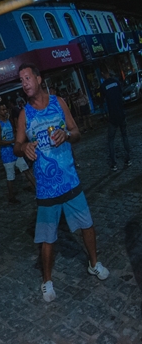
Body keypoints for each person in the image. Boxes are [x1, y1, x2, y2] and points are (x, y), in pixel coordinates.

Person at [13, 63, 109, 303]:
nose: (24, 83)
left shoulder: (59, 102)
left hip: (69, 179)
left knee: (87, 225)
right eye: (21, 80)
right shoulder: (25, 114)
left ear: (38, 78)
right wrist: (24, 147)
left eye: (27, 78)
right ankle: (47, 281)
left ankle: (94, 264)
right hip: (46, 188)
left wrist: (66, 135)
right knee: (47, 237)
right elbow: (16, 146)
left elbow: (76, 132)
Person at [0, 103, 35, 204]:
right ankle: (11, 196)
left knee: (26, 170)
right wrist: (12, 141)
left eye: (5, 109)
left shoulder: (8, 121)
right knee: (10, 176)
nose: (5, 111)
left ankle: (38, 190)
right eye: (3, 110)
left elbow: (12, 133)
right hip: (6, 154)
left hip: (14, 151)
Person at [100, 67, 132, 171]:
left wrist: (105, 115)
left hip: (113, 116)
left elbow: (102, 101)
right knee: (124, 136)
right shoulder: (116, 82)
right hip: (121, 113)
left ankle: (113, 164)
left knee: (111, 140)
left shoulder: (103, 86)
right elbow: (120, 94)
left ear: (102, 74)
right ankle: (128, 159)